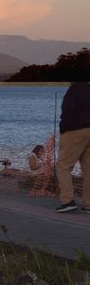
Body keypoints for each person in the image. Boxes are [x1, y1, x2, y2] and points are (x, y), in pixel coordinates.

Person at [54, 80, 90, 213]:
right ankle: (89, 204)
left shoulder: (73, 91)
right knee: (88, 169)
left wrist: (63, 129)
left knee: (63, 166)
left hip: (74, 131)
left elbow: (68, 112)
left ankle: (67, 200)